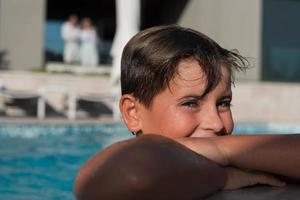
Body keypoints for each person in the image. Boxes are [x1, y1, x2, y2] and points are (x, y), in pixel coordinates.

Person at [74, 25, 300, 200]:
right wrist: (221, 170)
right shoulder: (125, 168)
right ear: (133, 113)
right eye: (191, 103)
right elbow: (131, 173)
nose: (216, 124)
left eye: (223, 103)